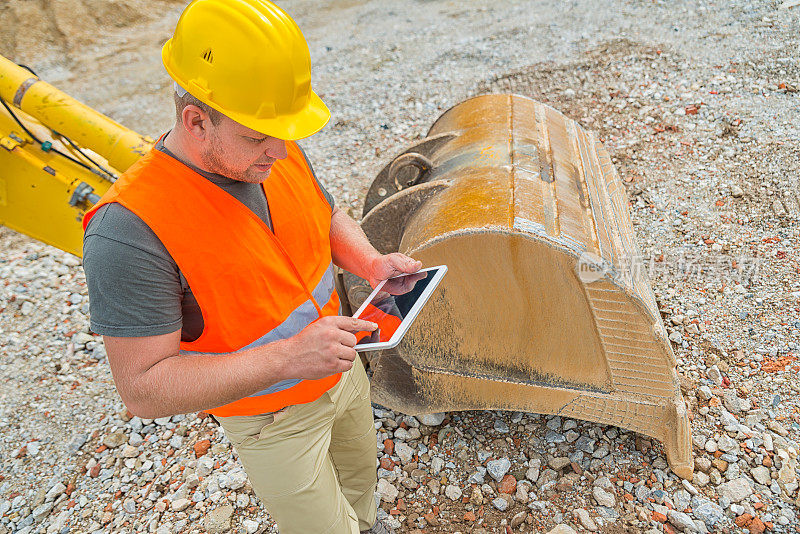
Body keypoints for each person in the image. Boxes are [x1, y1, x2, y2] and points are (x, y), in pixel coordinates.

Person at [81, 1, 420, 532]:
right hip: (271, 421)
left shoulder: (272, 145)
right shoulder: (126, 232)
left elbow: (324, 214)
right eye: (258, 137)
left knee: (361, 483)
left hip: (343, 369)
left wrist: (371, 262)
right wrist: (290, 358)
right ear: (196, 120)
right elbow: (143, 388)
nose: (280, 152)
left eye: (283, 133)